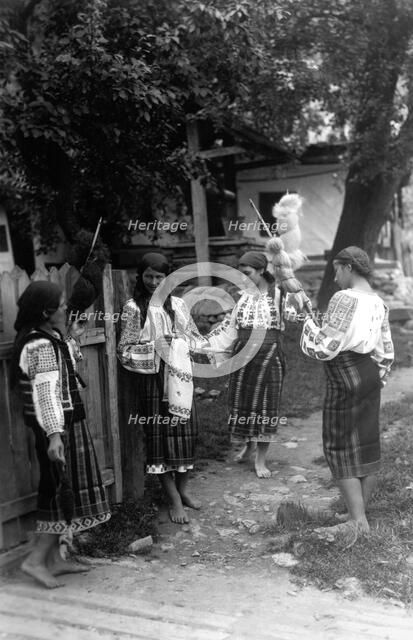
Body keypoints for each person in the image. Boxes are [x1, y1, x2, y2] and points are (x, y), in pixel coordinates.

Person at [10, 281, 111, 588]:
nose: (67, 308)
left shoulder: (51, 337)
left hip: (66, 422)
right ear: (46, 312)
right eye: (63, 304)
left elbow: (68, 367)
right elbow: (45, 394)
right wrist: (55, 435)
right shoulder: (38, 345)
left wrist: (72, 335)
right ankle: (34, 561)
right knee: (56, 491)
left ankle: (53, 560)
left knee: (61, 489)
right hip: (54, 427)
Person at [300, 246, 394, 545]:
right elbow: (385, 349)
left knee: (339, 445)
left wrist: (307, 322)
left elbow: (326, 345)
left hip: (344, 374)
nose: (335, 277)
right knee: (365, 442)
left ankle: (357, 521)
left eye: (336, 270)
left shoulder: (344, 298)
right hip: (368, 373)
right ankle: (359, 514)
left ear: (348, 268)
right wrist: (377, 376)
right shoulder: (379, 302)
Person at [117, 252, 205, 524]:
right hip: (152, 380)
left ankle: (183, 489)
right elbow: (124, 351)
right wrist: (156, 347)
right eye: (149, 276)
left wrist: (179, 342)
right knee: (160, 437)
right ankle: (173, 499)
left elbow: (196, 340)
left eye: (159, 276)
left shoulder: (178, 305)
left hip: (179, 377)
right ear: (140, 277)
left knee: (185, 433)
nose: (154, 282)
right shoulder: (133, 308)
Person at [204, 250, 307, 478]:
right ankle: (249, 446)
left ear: (261, 271)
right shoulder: (243, 297)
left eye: (248, 273)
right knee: (244, 404)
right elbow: (231, 328)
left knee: (264, 407)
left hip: (268, 356)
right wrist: (209, 345)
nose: (244, 277)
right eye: (241, 273)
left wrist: (295, 292)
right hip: (243, 356)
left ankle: (261, 459)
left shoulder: (278, 294)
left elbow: (295, 312)